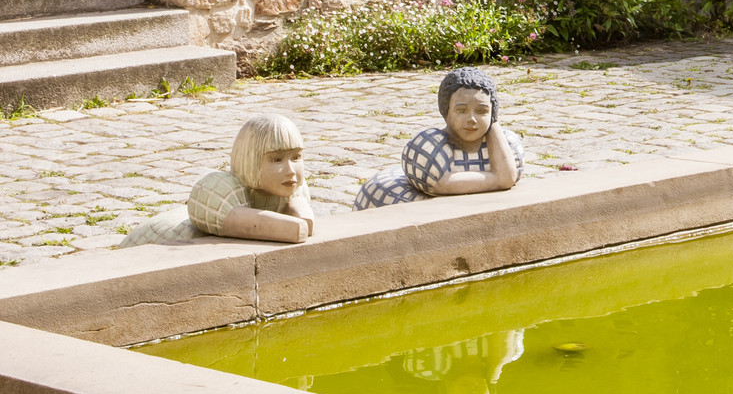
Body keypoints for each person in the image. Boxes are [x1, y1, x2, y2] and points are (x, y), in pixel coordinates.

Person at [120, 112, 315, 245]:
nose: (290, 170)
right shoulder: (222, 191)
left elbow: (305, 223)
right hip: (157, 244)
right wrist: (300, 220)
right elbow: (295, 229)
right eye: (277, 159)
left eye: (296, 157)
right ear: (250, 159)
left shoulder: (293, 187)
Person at [352, 66, 525, 211]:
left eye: (481, 111)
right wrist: (497, 179)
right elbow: (503, 178)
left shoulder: (508, 144)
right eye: (461, 110)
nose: (472, 119)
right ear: (446, 111)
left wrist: (492, 122)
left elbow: (507, 176)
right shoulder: (430, 148)